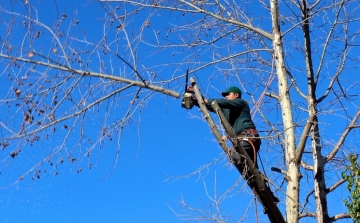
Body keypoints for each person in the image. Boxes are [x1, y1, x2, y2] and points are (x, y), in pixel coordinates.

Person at [202, 86, 261, 165]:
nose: (226, 96)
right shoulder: (226, 109)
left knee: (234, 154)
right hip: (240, 140)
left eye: (228, 94)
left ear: (236, 95)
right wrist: (197, 101)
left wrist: (207, 100)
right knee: (248, 172)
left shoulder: (241, 102)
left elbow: (224, 103)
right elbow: (211, 106)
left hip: (248, 137)